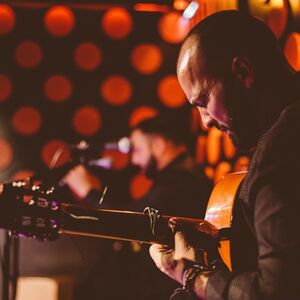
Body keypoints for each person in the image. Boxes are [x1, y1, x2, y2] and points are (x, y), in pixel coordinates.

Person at [149, 10, 300, 300]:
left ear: (242, 72)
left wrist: (192, 276)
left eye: (203, 101)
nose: (205, 121)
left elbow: (276, 292)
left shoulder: (277, 155)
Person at [63, 115, 212, 299]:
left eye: (138, 150)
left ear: (158, 145)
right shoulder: (176, 175)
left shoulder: (181, 180)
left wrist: (88, 192)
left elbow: (131, 220)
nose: (134, 160)